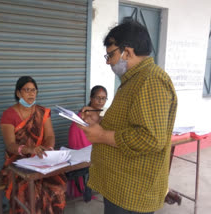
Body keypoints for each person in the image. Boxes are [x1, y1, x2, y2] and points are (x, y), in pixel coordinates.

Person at [78, 20, 178, 214]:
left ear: (128, 52)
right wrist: (99, 122)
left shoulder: (152, 80)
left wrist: (101, 136)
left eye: (111, 55)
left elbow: (151, 138)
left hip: (132, 193)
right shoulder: (134, 80)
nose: (108, 61)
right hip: (121, 187)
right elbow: (130, 123)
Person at [0, 76, 67, 214]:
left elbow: (50, 136)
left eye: (34, 90)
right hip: (18, 163)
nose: (31, 93)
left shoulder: (42, 112)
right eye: (27, 90)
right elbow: (10, 144)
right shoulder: (8, 115)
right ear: (18, 93)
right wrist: (28, 149)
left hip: (40, 159)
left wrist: (48, 149)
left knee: (58, 187)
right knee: (32, 195)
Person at [66, 85, 108, 200]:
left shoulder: (100, 112)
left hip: (90, 143)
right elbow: (82, 135)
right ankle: (86, 187)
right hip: (81, 144)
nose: (100, 101)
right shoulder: (85, 113)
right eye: (97, 98)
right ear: (91, 98)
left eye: (103, 98)